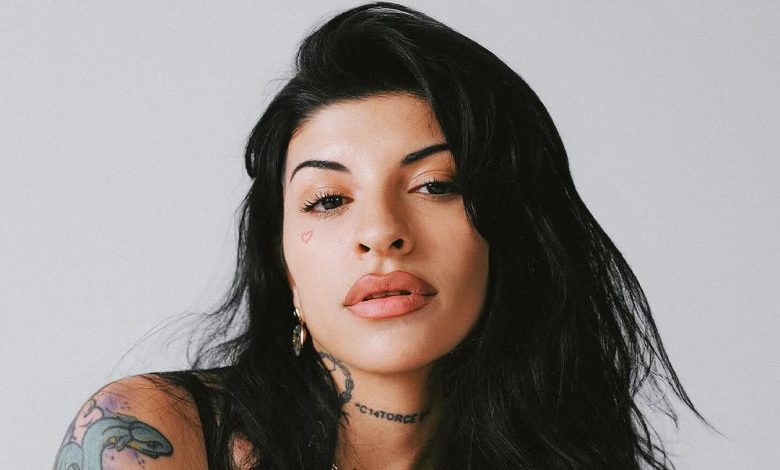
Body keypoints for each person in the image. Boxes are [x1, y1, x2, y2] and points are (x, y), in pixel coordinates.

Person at [53, 3, 708, 469]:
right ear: (283, 266)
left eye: (435, 185)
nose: (381, 233)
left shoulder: (565, 453)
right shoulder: (152, 433)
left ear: (511, 235)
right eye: (328, 200)